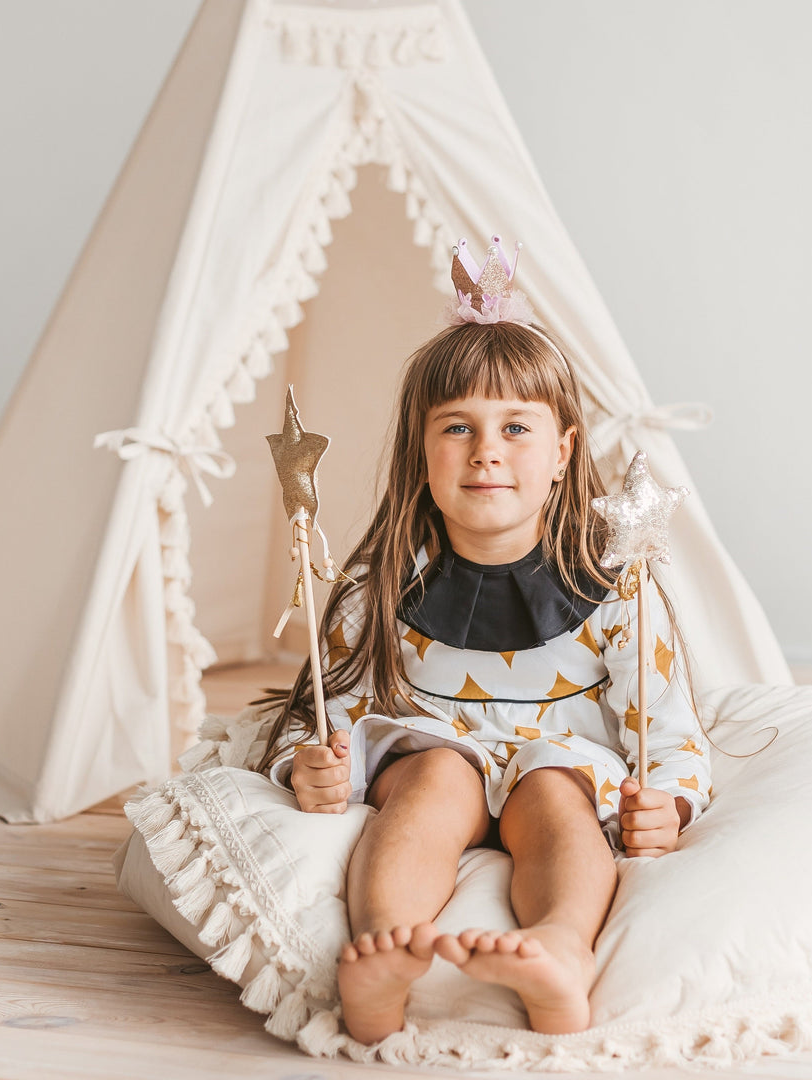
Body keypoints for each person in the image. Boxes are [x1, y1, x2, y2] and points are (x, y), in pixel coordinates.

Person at [257, 239, 711, 1044]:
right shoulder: (379, 587)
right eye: (458, 426)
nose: (487, 450)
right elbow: (324, 714)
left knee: (554, 792)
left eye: (516, 427)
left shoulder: (613, 590)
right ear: (422, 451)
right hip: (437, 756)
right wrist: (311, 767)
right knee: (437, 777)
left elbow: (670, 736)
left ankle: (561, 949)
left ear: (563, 452)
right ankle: (383, 951)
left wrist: (668, 806)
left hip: (561, 768)